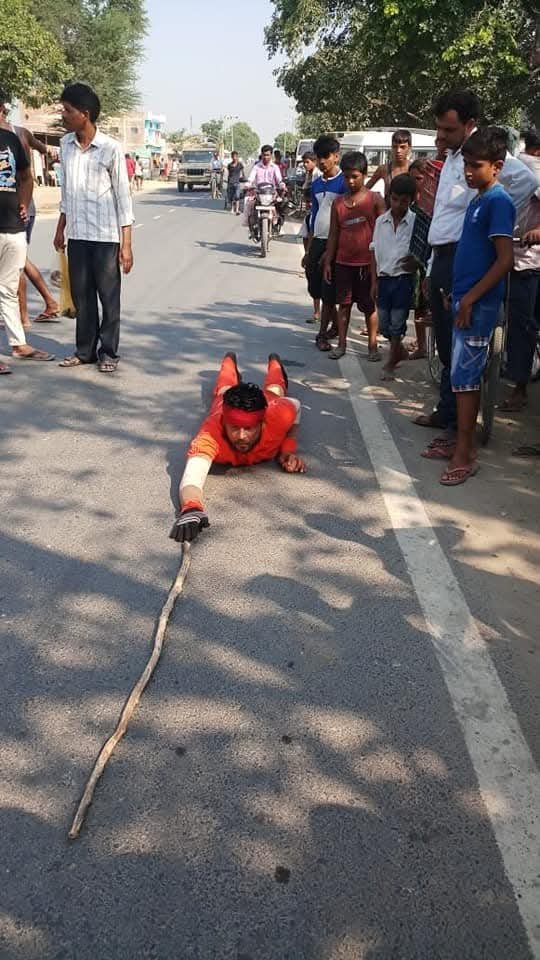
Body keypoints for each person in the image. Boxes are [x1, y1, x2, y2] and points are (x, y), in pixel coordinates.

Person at [431, 128, 515, 484]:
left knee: (466, 382)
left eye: (475, 165)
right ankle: (458, 444)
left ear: (496, 167)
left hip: (477, 307)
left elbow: (504, 260)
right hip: (464, 299)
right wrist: (457, 292)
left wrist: (470, 298)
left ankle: (466, 453)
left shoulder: (498, 202)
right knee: (459, 378)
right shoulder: (478, 200)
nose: (467, 171)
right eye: (465, 164)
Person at [169, 352, 306, 543]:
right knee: (224, 388)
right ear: (224, 422)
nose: (241, 436)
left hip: (271, 400)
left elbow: (296, 406)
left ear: (262, 423)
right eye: (234, 428)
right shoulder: (210, 435)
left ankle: (275, 364)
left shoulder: (277, 415)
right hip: (223, 401)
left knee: (276, 390)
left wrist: (288, 448)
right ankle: (229, 361)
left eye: (249, 429)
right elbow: (192, 478)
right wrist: (191, 509)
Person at [53, 83, 134, 373]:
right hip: (77, 236)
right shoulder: (65, 145)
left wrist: (126, 244)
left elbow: (123, 198)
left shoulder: (111, 148)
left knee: (108, 299)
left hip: (105, 238)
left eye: (68, 110)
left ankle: (108, 352)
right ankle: (84, 351)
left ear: (84, 114)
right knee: (82, 297)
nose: (63, 115)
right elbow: (66, 193)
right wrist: (60, 229)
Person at [0, 93, 60, 326]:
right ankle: (46, 303)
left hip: (18, 207)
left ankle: (24, 316)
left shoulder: (15, 134)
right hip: (23, 205)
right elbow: (43, 149)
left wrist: (23, 203)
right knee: (19, 260)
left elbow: (27, 176)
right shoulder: (22, 133)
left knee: (17, 262)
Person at [0, 122, 54, 373]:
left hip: (12, 225)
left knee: (9, 288)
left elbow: (25, 176)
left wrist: (23, 202)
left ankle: (19, 345)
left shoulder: (11, 139)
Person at [322, 151, 385, 359]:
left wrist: (381, 263)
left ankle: (373, 346)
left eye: (355, 176)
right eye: (347, 176)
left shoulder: (375, 200)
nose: (350, 181)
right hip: (343, 263)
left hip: (368, 264)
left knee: (369, 307)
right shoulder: (338, 203)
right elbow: (333, 234)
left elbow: (385, 232)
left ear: (364, 175)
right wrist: (328, 261)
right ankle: (341, 345)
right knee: (344, 305)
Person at [370, 173, 417, 377]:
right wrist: (374, 281)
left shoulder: (416, 222)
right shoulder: (381, 222)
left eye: (403, 201)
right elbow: (373, 251)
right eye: (395, 199)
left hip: (403, 279)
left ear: (411, 200)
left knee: (397, 322)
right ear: (389, 197)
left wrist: (416, 262)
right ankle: (399, 350)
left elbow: (424, 250)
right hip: (384, 279)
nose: (398, 205)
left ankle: (391, 361)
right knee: (384, 324)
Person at [305, 136, 346, 353]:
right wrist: (309, 249)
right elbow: (314, 215)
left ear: (336, 157)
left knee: (329, 290)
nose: (322, 161)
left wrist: (333, 249)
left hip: (335, 242)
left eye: (326, 157)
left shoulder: (344, 183)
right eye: (319, 157)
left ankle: (322, 334)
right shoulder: (316, 184)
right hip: (318, 240)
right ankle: (335, 326)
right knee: (315, 286)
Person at [500, 194, 540, 412]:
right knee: (518, 326)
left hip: (529, 262)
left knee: (524, 327)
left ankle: (520, 387)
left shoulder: (532, 178)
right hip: (509, 258)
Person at [300, 151, 322, 323]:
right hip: (313, 250)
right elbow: (305, 236)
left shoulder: (318, 176)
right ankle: (317, 312)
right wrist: (307, 254)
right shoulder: (309, 218)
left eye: (307, 162)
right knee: (313, 279)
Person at [244, 144, 285, 232]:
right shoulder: (256, 167)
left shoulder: (275, 167)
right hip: (258, 193)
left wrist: (282, 185)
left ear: (271, 155)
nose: (266, 157)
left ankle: (278, 224)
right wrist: (248, 184)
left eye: (268, 155)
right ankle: (250, 224)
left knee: (281, 203)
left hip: (272, 193)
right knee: (248, 202)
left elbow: (279, 179)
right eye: (264, 155)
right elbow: (251, 177)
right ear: (261, 155)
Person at [366, 129, 412, 202]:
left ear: (409, 148)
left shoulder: (413, 169)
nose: (398, 151)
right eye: (395, 147)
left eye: (402, 147)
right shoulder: (384, 169)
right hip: (388, 208)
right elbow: (365, 190)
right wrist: (376, 198)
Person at [226, 150, 244, 215]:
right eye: (233, 156)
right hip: (230, 183)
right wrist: (228, 182)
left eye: (235, 156)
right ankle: (232, 209)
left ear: (237, 157)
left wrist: (242, 178)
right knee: (231, 197)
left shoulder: (240, 164)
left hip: (237, 183)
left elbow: (242, 172)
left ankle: (237, 210)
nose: (234, 158)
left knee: (237, 196)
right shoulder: (229, 165)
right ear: (231, 157)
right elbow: (229, 174)